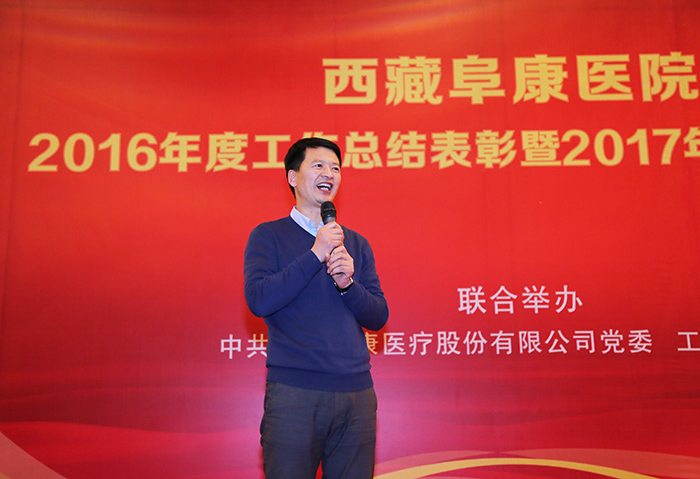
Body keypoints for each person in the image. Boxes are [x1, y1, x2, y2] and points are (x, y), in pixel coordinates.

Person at [243, 137, 389, 479]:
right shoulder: (268, 236)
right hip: (295, 393)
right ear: (293, 177)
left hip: (356, 395)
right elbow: (259, 299)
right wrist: (314, 254)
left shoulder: (355, 243)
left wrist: (348, 284)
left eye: (336, 168)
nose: (329, 174)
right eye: (319, 165)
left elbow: (378, 316)